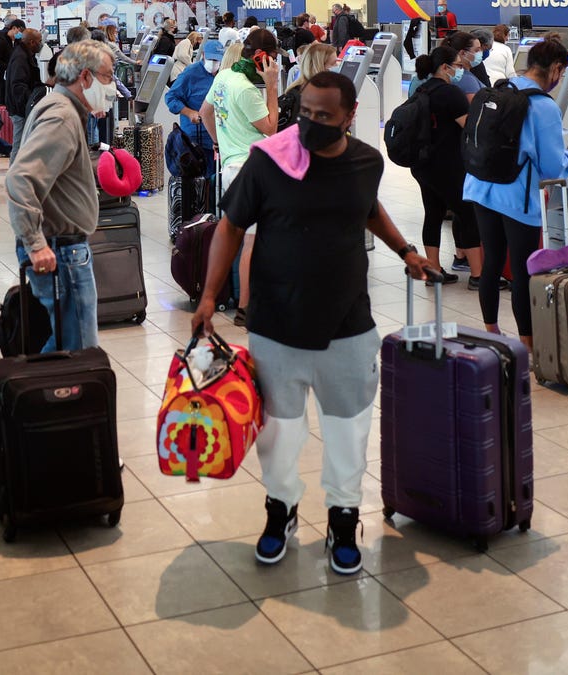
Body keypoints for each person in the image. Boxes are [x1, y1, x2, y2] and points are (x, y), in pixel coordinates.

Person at [192, 71, 436, 574]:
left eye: (323, 117)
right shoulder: (268, 162)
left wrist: (407, 250)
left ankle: (344, 519)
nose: (310, 124)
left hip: (347, 325)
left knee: (348, 432)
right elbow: (231, 226)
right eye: (304, 113)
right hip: (276, 324)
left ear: (349, 117)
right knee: (280, 434)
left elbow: (368, 210)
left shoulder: (367, 162)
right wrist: (210, 296)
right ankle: (279, 512)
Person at [465, 39, 568, 351]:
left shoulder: (503, 87)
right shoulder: (544, 107)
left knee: (491, 262)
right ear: (556, 68)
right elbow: (550, 166)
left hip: (479, 187)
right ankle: (527, 346)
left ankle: (492, 330)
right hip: (516, 197)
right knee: (522, 270)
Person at [6, 40, 117, 353]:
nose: (111, 86)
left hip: (63, 248)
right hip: (61, 251)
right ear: (85, 77)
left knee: (65, 344)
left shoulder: (62, 107)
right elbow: (21, 178)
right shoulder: (62, 116)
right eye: (107, 77)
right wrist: (36, 243)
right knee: (77, 350)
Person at [202, 29, 280, 328]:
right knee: (252, 243)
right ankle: (246, 308)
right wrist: (272, 88)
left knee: (233, 239)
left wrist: (219, 142)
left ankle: (232, 298)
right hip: (251, 171)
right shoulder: (247, 89)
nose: (273, 66)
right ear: (262, 57)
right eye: (271, 60)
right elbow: (271, 128)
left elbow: (205, 112)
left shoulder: (224, 78)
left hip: (230, 169)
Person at [409, 47, 487, 287]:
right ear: (445, 67)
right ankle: (478, 276)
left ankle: (433, 272)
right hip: (449, 164)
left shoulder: (420, 89)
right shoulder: (450, 93)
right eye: (458, 65)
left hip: (423, 164)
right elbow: (470, 127)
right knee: (467, 215)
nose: (460, 70)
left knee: (432, 214)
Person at [166, 39, 223, 178]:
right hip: (196, 138)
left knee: (217, 179)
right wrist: (189, 112)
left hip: (219, 137)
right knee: (199, 181)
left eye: (217, 60)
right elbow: (171, 97)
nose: (214, 63)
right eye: (211, 59)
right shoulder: (191, 73)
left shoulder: (224, 73)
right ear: (203, 55)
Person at [6, 29, 44, 160]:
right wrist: (31, 102)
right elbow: (18, 86)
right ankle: (13, 176)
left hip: (21, 107)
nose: (41, 44)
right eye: (39, 41)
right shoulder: (21, 58)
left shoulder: (24, 54)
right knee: (19, 145)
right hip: (20, 109)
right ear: (32, 42)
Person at [279, 43, 336, 128]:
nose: (337, 66)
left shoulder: (296, 90)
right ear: (320, 66)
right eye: (333, 63)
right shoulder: (314, 98)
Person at [443, 31, 484, 102]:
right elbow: (475, 108)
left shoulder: (450, 74)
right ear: (463, 53)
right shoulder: (467, 79)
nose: (480, 53)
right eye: (477, 50)